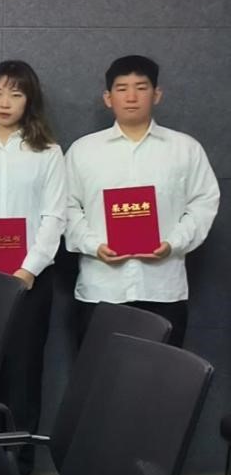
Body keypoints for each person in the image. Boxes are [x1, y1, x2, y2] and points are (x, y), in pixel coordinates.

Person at [65, 55, 218, 348]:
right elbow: (66, 207)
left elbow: (204, 203)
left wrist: (173, 243)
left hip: (163, 289)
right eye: (122, 88)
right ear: (108, 98)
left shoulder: (185, 149)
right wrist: (93, 245)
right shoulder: (83, 151)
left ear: (156, 94)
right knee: (100, 373)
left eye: (141, 87)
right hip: (101, 288)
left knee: (160, 374)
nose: (132, 97)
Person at [0, 61, 65, 466]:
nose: (5, 103)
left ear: (29, 101)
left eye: (16, 94)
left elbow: (54, 217)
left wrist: (28, 270)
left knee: (23, 371)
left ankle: (18, 462)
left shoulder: (48, 152)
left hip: (30, 281)